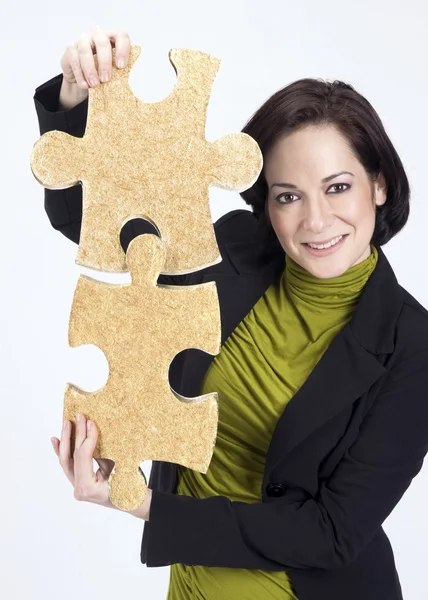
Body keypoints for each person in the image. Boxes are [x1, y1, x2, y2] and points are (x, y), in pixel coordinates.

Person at [35, 26, 428, 600]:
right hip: (191, 585)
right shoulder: (238, 247)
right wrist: (75, 98)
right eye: (288, 195)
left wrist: (145, 504)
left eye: (338, 187)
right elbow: (98, 224)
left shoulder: (413, 347)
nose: (316, 222)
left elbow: (332, 533)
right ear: (265, 202)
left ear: (380, 185)